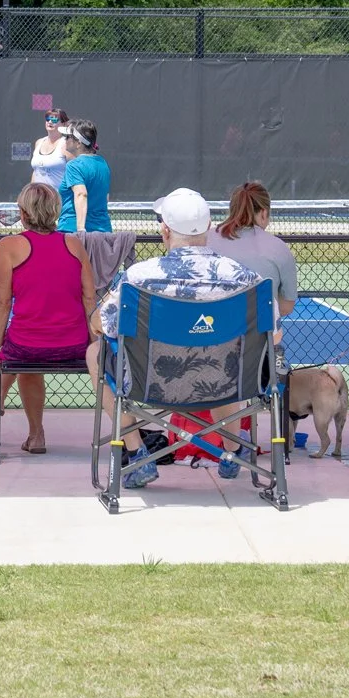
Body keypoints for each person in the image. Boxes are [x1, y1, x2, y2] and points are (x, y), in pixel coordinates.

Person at [87, 188, 262, 488]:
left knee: (94, 352)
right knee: (228, 360)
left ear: (165, 231)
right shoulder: (244, 277)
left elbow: (99, 324)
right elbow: (272, 329)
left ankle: (135, 451)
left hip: (152, 385)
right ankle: (232, 450)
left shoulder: (139, 277)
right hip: (223, 383)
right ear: (208, 228)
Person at [0, 181, 93, 453]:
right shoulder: (74, 244)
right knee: (24, 350)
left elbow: (2, 301)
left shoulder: (9, 245)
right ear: (55, 211)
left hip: (26, 347)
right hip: (74, 344)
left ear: (23, 213)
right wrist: (92, 343)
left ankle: (35, 434)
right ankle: (5, 406)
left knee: (23, 354)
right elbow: (90, 298)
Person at [207, 181, 299, 322]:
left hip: (209, 335)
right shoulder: (278, 248)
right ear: (264, 213)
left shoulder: (204, 240)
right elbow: (286, 306)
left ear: (233, 209)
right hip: (258, 340)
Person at [59, 120, 112, 234]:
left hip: (72, 232)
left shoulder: (73, 166)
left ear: (78, 143)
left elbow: (81, 194)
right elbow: (106, 198)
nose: (65, 139)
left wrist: (81, 230)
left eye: (68, 137)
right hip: (103, 231)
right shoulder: (103, 163)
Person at [29, 109, 70, 192]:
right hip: (38, 199)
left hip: (59, 199)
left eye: (54, 119)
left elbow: (73, 172)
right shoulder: (39, 142)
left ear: (64, 124)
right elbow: (36, 171)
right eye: (48, 119)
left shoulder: (67, 144)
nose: (50, 121)